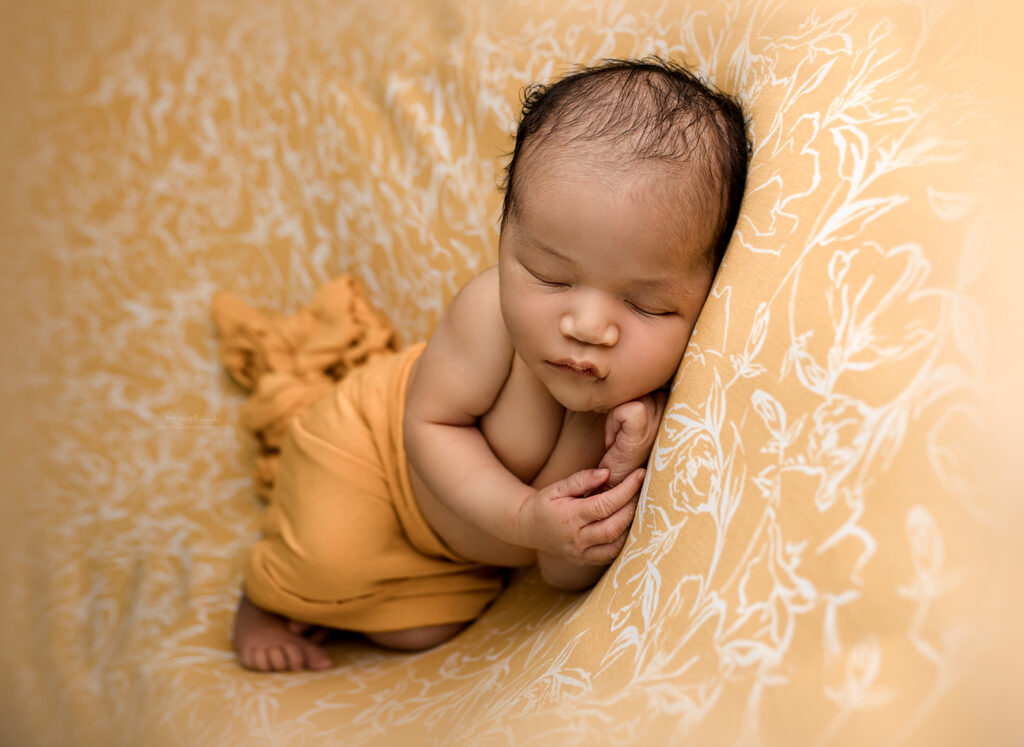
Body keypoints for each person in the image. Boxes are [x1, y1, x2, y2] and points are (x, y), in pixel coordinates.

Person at [232, 57, 748, 671]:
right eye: (550, 277)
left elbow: (559, 571)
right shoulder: (489, 316)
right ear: (504, 241)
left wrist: (610, 475)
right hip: (369, 452)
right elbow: (428, 427)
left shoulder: (636, 412)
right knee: (324, 557)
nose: (587, 326)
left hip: (465, 544)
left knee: (423, 632)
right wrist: (526, 517)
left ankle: (352, 589)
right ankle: (261, 599)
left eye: (645, 304)